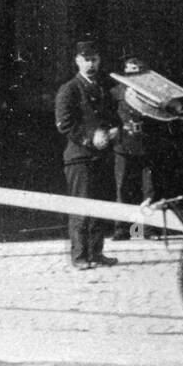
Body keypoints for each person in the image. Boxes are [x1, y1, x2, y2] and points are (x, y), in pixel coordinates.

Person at [55, 41, 121, 270]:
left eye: (94, 59)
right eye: (86, 60)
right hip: (80, 157)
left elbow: (113, 116)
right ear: (77, 61)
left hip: (101, 156)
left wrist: (114, 130)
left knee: (100, 206)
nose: (91, 64)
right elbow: (65, 124)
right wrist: (89, 138)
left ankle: (96, 252)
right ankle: (80, 256)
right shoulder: (70, 89)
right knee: (82, 207)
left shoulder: (103, 88)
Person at [112, 57, 155, 241]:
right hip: (123, 144)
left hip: (145, 144)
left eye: (137, 70)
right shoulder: (115, 92)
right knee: (123, 188)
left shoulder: (151, 92)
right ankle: (122, 229)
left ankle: (142, 230)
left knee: (148, 189)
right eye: (129, 71)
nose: (133, 74)